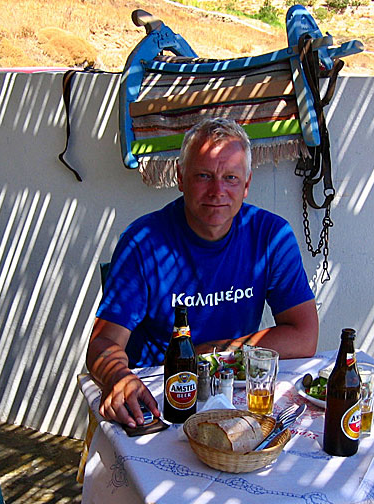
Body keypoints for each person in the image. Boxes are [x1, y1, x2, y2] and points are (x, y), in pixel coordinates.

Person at [87, 118, 318, 428]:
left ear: (247, 184)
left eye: (231, 178)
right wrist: (118, 376)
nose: (217, 190)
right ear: (181, 178)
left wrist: (210, 353)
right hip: (158, 399)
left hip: (232, 397)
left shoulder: (271, 235)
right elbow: (102, 344)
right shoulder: (143, 241)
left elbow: (304, 337)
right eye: (204, 176)